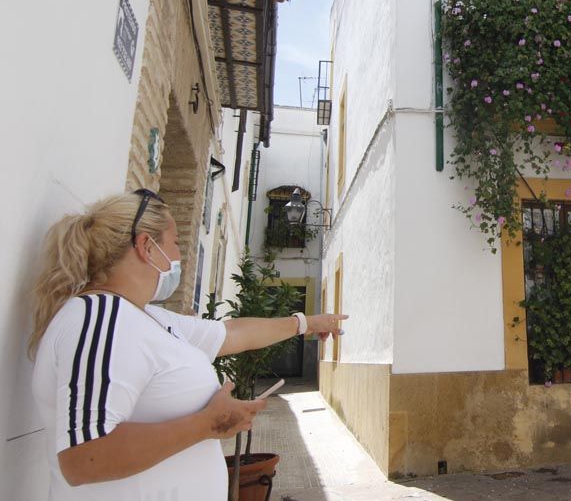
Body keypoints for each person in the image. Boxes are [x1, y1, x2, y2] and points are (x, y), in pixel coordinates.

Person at [29, 189, 348, 500]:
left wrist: (306, 323)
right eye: (176, 243)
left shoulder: (149, 318)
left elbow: (232, 334)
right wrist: (208, 424)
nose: (180, 255)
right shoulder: (101, 319)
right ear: (146, 246)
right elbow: (84, 458)